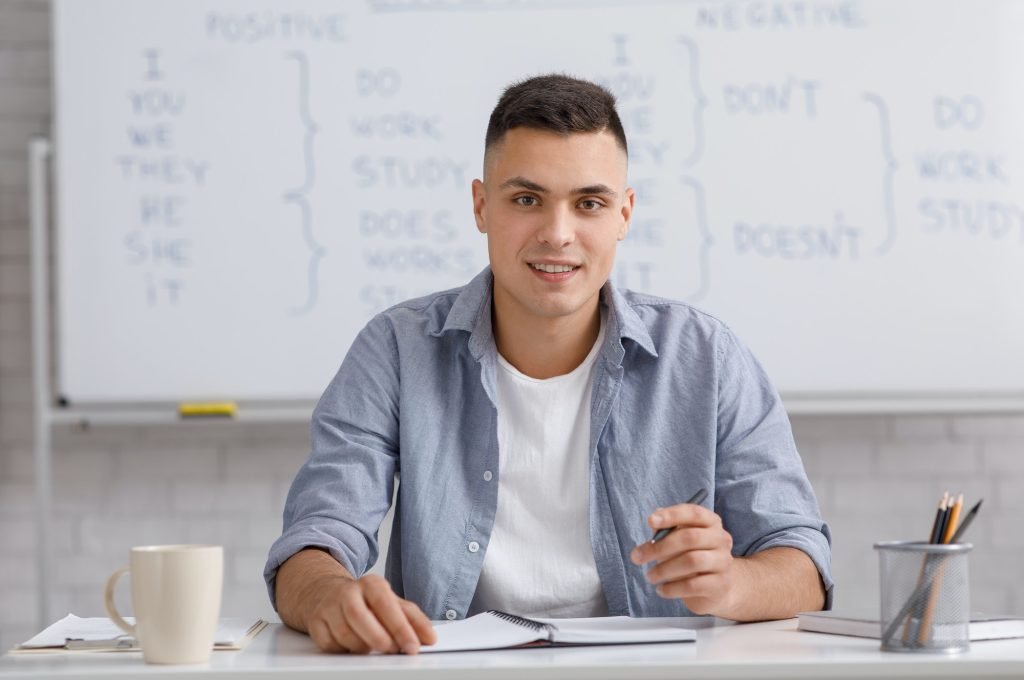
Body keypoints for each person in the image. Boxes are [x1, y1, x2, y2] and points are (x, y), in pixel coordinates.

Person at [265, 74, 833, 655]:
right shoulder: (395, 348)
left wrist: (733, 583)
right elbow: (315, 542)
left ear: (624, 215)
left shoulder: (707, 357)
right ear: (482, 206)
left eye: (589, 203)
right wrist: (330, 594)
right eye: (527, 199)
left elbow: (803, 565)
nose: (558, 235)